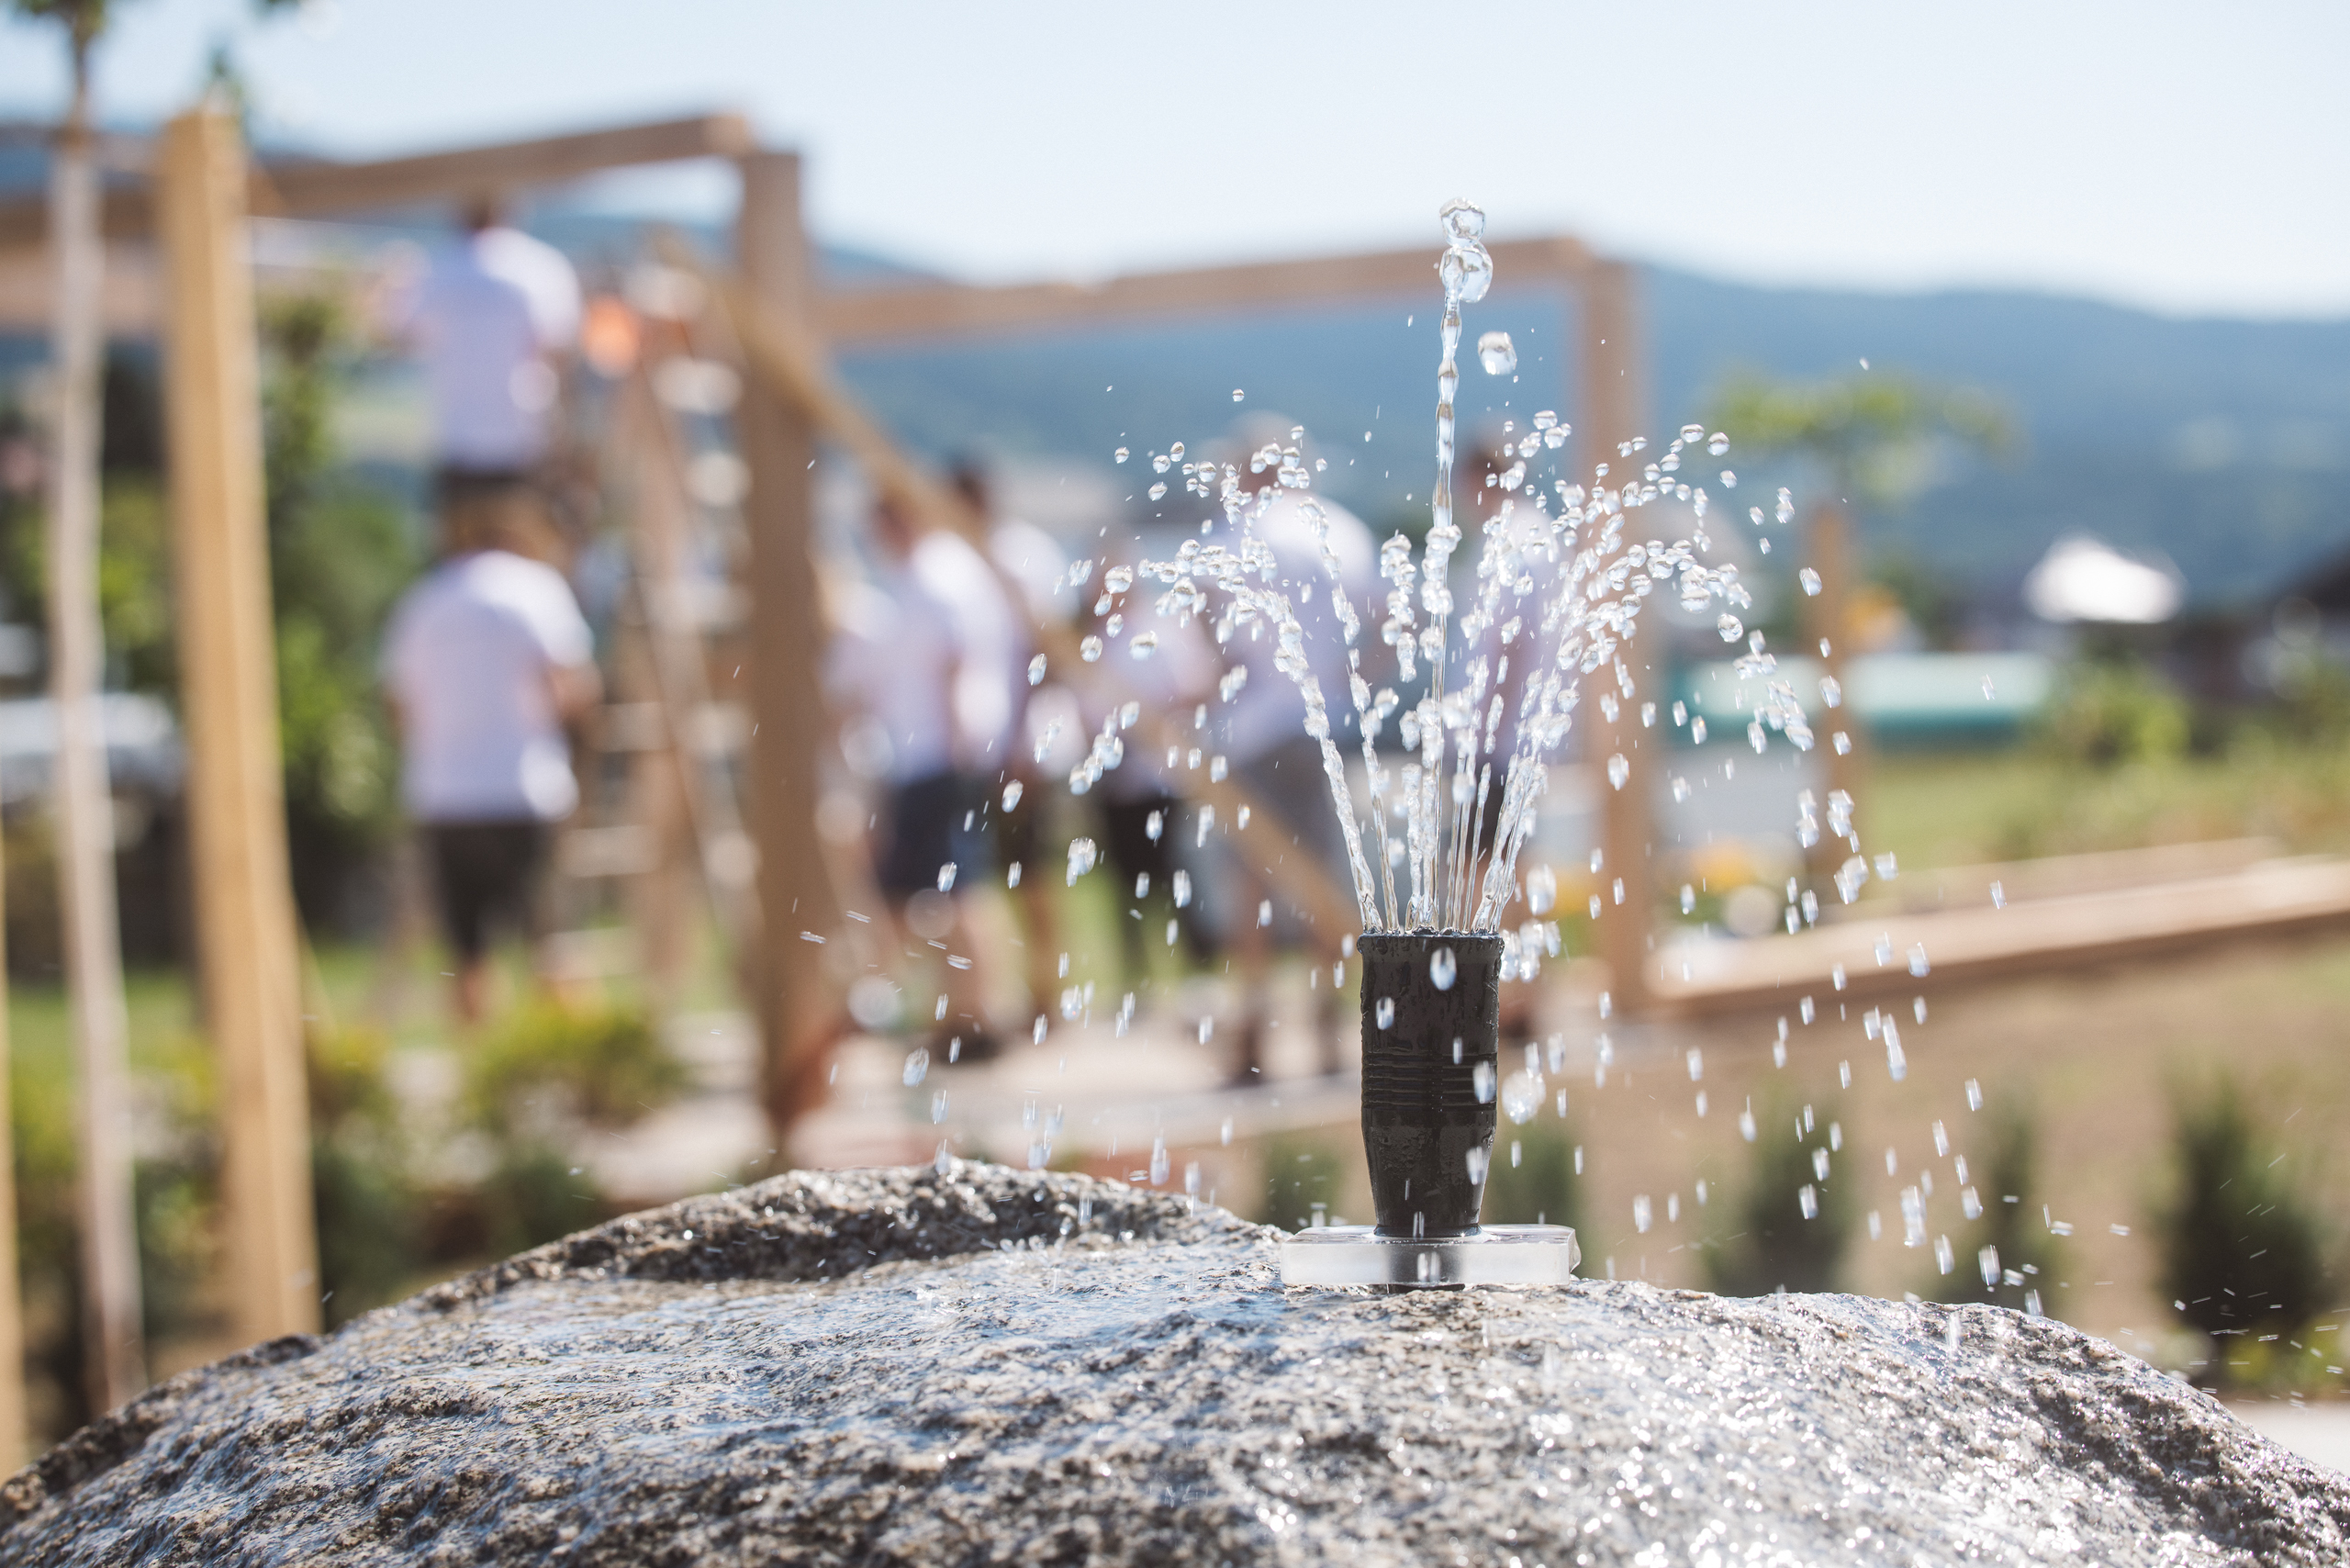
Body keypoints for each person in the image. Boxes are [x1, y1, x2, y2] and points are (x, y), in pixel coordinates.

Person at [1208, 418, 1382, 1081]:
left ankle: (1252, 1037)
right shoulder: (1341, 529)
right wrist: (1348, 686)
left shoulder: (1241, 533)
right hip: (1326, 728)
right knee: (1324, 881)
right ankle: (1330, 1032)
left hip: (1255, 729)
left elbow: (1219, 644)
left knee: (1249, 882)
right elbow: (1384, 631)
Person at [383, 509, 600, 1023]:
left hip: (444, 792)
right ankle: (573, 1053)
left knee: (467, 950)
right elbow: (571, 685)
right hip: (523, 786)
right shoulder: (535, 590)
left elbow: (398, 704)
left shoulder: (425, 599)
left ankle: (478, 1062)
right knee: (549, 937)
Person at [826, 493, 1016, 1059]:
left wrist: (960, 746)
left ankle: (978, 1013)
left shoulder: (937, 575)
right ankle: (958, 1008)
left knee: (959, 891)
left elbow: (954, 661)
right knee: (924, 890)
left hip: (938, 755)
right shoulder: (928, 574)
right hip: (925, 755)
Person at [383, 195, 583, 566]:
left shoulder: (438, 269)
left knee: (459, 567)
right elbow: (562, 352)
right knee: (527, 566)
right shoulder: (540, 268)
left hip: (456, 442)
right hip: (523, 441)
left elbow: (397, 334)